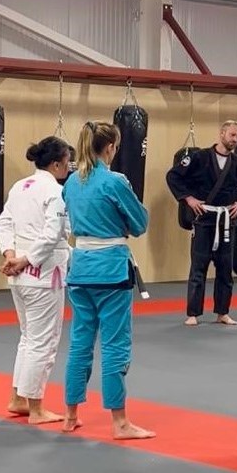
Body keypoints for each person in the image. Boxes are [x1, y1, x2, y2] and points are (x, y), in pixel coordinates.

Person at [61, 121, 154, 440]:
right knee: (115, 345)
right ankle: (120, 422)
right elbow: (140, 222)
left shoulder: (71, 182)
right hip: (110, 270)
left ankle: (70, 414)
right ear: (111, 147)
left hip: (81, 268)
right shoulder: (115, 181)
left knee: (80, 342)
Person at [0, 136, 73, 425]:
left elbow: (3, 223)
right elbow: (52, 235)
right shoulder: (55, 191)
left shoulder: (20, 186)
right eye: (66, 162)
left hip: (20, 274)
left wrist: (11, 255)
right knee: (44, 342)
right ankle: (37, 408)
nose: (68, 167)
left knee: (28, 339)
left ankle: (18, 398)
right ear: (56, 163)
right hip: (42, 274)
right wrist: (25, 260)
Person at [166, 120, 237, 327]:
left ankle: (222, 312)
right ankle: (193, 313)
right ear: (222, 133)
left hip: (226, 222)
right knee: (198, 268)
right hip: (204, 220)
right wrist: (188, 199)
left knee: (225, 269)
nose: (235, 139)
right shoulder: (199, 157)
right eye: (232, 135)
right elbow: (173, 176)